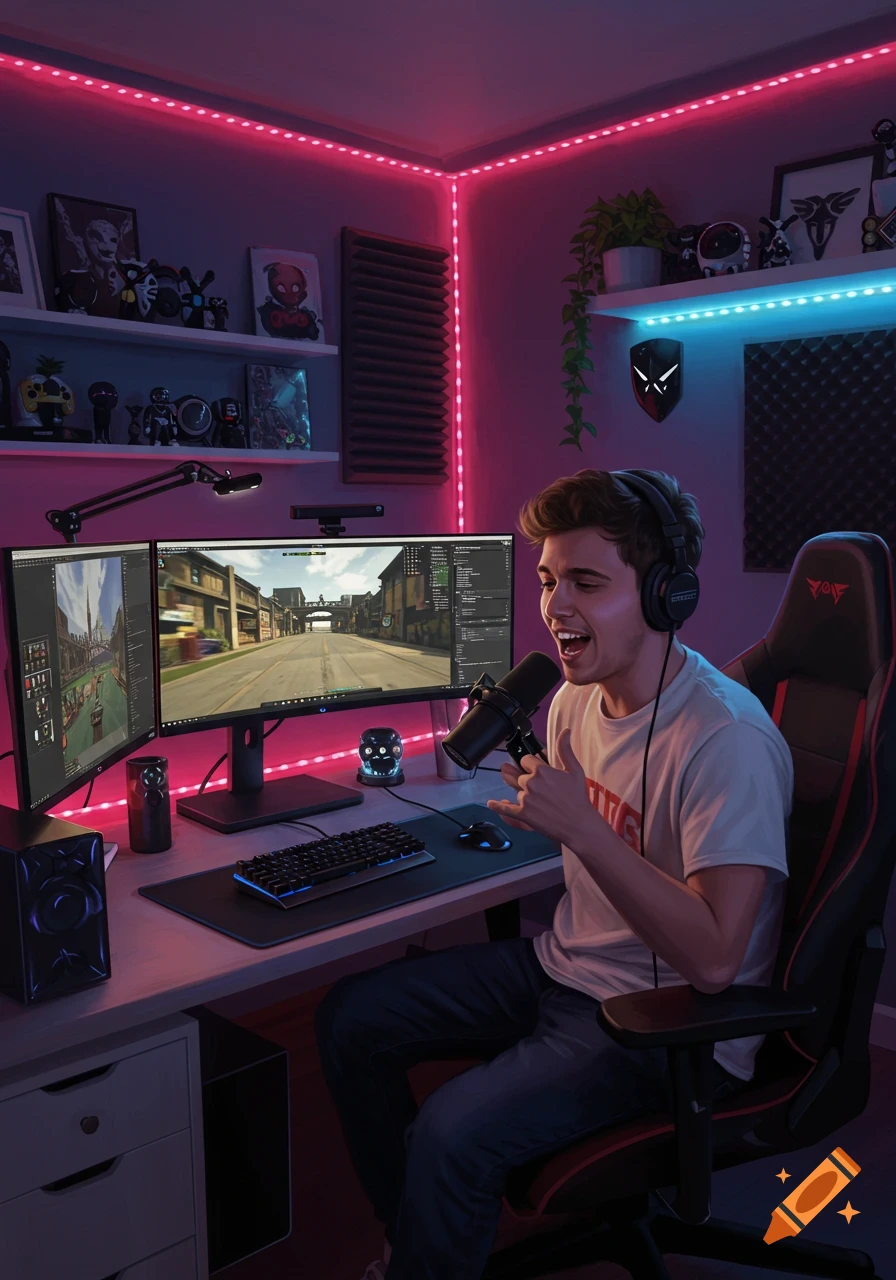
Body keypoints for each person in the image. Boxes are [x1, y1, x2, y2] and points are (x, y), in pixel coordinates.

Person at [315, 468, 793, 1280]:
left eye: (586, 582)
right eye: (547, 580)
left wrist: (586, 832)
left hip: (667, 1024)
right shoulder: (575, 700)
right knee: (351, 1017)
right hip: (564, 965)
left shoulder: (725, 741)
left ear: (664, 596)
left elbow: (715, 961)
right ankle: (416, 1243)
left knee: (451, 1132)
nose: (554, 607)